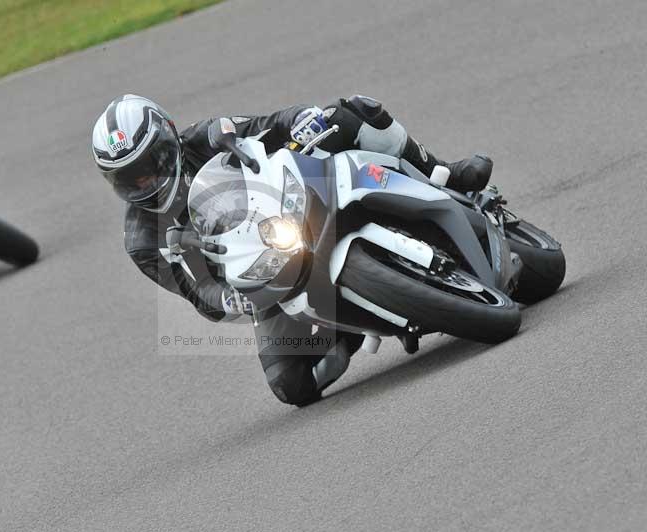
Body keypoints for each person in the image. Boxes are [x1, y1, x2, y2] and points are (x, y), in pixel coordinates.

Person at [91, 94, 493, 406]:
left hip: (289, 206)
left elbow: (270, 124)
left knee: (353, 111)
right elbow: (196, 291)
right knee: (290, 385)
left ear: (169, 139)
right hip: (260, 276)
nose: (144, 183)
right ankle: (342, 331)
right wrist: (231, 300)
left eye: (148, 166)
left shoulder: (206, 136)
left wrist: (301, 118)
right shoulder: (143, 240)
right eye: (129, 179)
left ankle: (445, 174)